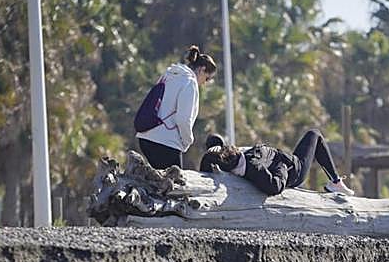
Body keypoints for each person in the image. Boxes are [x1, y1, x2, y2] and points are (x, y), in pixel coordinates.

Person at [199, 129, 355, 196]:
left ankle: (335, 182)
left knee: (213, 139)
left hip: (280, 160)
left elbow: (209, 161)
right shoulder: (254, 167)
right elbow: (276, 186)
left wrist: (215, 149)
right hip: (294, 170)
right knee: (314, 134)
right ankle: (335, 183)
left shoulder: (238, 160)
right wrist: (282, 164)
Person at [135, 45, 217, 170]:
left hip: (146, 138)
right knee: (176, 186)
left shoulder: (169, 75)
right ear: (202, 69)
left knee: (157, 184)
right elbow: (183, 120)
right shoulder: (190, 82)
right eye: (207, 78)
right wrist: (188, 140)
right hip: (166, 143)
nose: (205, 83)